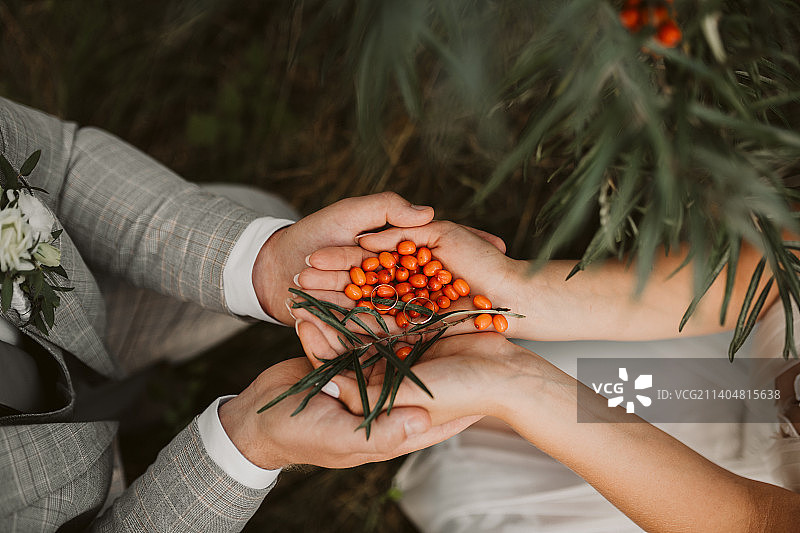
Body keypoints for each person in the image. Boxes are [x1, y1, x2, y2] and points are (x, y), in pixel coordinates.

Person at [0, 96, 478, 531]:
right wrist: (246, 445)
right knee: (91, 452)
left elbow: (57, 162)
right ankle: (115, 420)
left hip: (74, 307)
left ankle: (122, 393)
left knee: (265, 213)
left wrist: (261, 263)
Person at [296, 220, 800, 531]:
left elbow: (753, 523)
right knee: (597, 384)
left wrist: (518, 384)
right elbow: (783, 263)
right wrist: (525, 292)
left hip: (734, 507)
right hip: (733, 367)